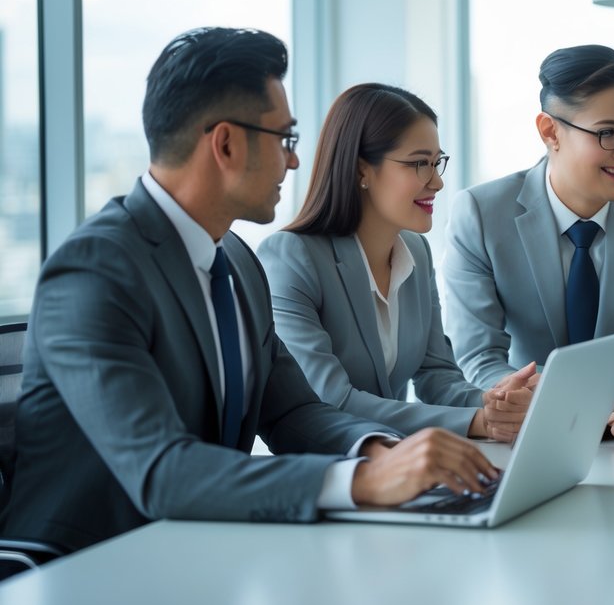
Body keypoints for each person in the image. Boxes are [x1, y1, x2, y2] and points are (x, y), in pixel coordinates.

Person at [0, 28, 497, 554]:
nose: (295, 161)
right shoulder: (95, 270)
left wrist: (382, 452)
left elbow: (290, 414)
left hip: (202, 546)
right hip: (86, 567)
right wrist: (362, 482)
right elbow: (160, 470)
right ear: (226, 144)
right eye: (285, 139)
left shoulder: (235, 260)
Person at [444, 44, 614, 451]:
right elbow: (477, 356)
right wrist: (548, 396)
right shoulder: (481, 214)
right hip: (522, 436)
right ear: (550, 131)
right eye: (607, 133)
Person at [258, 84, 538, 441]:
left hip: (408, 466)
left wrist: (493, 403)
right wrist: (477, 422)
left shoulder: (416, 253)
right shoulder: (291, 259)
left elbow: (437, 376)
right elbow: (330, 401)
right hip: (336, 473)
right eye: (420, 163)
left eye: (437, 162)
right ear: (362, 170)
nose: (436, 181)